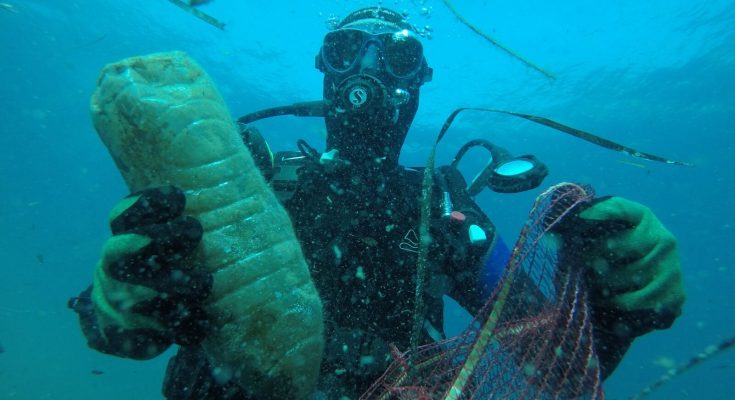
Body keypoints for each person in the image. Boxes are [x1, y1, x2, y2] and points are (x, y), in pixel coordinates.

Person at [69, 7, 685, 400]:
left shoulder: (442, 207)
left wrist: (613, 311)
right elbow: (114, 322)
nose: (367, 71)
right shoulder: (257, 185)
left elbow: (551, 360)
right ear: (325, 70)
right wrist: (122, 298)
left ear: (417, 83)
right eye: (346, 51)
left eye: (397, 57)